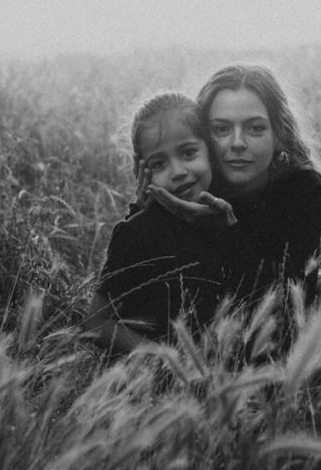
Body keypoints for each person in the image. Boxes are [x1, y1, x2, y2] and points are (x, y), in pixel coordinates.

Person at [140, 64, 321, 325]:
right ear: (202, 137)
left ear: (279, 133)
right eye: (221, 129)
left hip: (275, 311)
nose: (237, 143)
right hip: (205, 316)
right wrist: (144, 211)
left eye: (255, 128)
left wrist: (226, 231)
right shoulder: (193, 182)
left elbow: (289, 303)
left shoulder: (303, 187)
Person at [83, 91, 260, 356]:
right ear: (142, 171)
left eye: (188, 153)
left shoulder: (229, 216)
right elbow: (95, 323)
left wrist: (230, 232)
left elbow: (256, 295)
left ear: (211, 152)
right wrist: (164, 359)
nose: (177, 172)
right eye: (159, 163)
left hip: (224, 368)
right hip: (157, 382)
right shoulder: (137, 232)